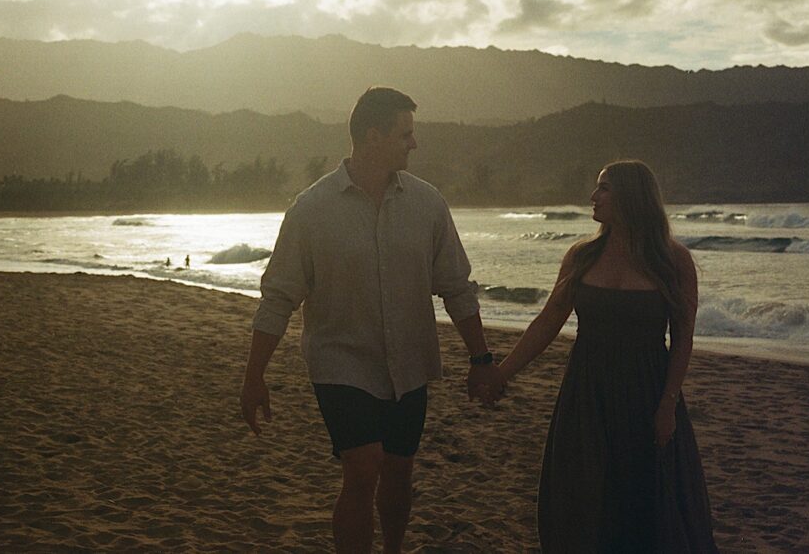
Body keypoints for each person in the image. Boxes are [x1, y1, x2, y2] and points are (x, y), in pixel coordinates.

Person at [240, 87, 506, 554]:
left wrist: (481, 357)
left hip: (409, 363)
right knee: (363, 467)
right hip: (341, 362)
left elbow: (456, 286)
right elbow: (278, 296)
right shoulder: (312, 209)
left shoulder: (428, 204)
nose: (414, 144)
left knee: (399, 470)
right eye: (406, 134)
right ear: (373, 135)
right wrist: (253, 376)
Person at [498, 160, 718, 552]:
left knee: (645, 503)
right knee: (584, 499)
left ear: (631, 197)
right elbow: (548, 322)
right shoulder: (582, 256)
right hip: (587, 392)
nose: (593, 197)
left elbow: (683, 339)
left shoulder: (674, 261)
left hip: (647, 391)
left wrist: (667, 404)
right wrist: (502, 373)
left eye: (604, 189)